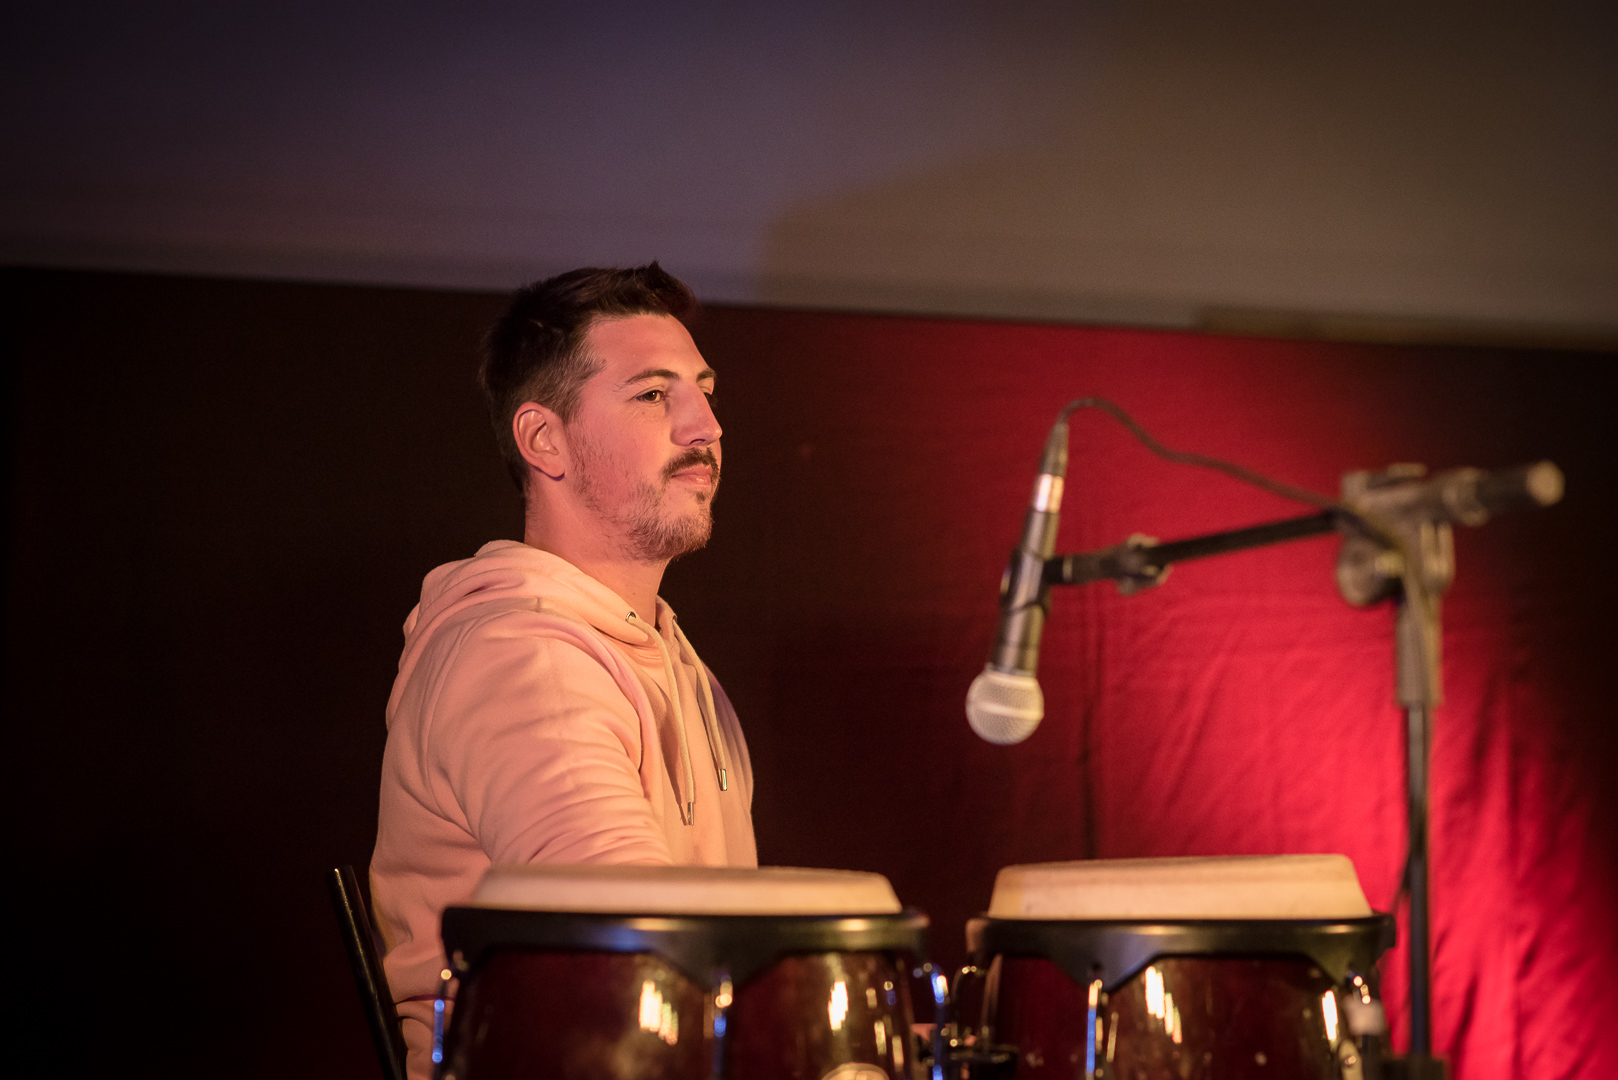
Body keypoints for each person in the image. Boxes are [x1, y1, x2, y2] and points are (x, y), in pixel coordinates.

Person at [369, 264, 757, 1078]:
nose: (706, 426)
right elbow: (628, 945)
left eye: (704, 391)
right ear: (543, 440)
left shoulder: (675, 662)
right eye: (653, 395)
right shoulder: (520, 656)